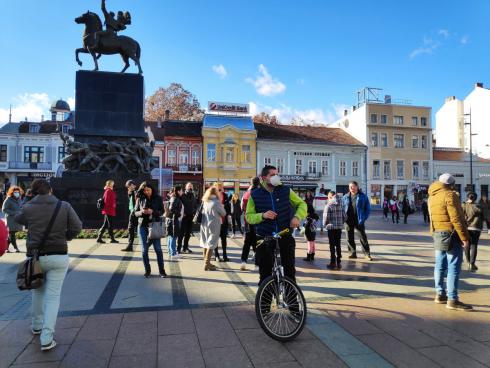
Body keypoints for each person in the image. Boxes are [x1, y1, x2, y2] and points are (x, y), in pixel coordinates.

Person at [15, 179, 82, 351]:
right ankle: (46, 337)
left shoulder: (29, 207)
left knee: (37, 291)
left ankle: (36, 326)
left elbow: (18, 217)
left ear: (33, 192)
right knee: (53, 298)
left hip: (36, 257)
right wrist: (66, 237)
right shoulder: (64, 206)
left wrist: (26, 199)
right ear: (51, 190)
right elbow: (77, 226)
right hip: (58, 256)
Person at [246, 165, 307, 285]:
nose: (276, 177)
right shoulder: (254, 194)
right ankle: (264, 303)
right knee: (265, 275)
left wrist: (297, 217)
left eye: (276, 174)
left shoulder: (285, 190)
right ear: (264, 177)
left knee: (290, 273)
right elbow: (249, 217)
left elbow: (302, 204)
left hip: (285, 235)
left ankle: (292, 303)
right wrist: (262, 215)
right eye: (272, 175)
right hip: (264, 238)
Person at [429, 173, 472, 310]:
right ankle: (453, 299)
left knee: (440, 265)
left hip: (438, 232)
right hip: (451, 234)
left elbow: (431, 216)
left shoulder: (432, 195)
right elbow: (456, 218)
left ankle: (440, 294)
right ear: (451, 184)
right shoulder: (450, 195)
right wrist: (464, 237)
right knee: (453, 267)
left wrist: (433, 232)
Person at [134, 182, 166, 278]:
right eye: (145, 190)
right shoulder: (140, 198)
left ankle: (162, 271)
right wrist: (141, 212)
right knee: (144, 250)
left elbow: (162, 211)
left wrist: (153, 211)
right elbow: (134, 213)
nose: (147, 192)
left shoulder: (158, 198)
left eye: (148, 190)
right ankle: (147, 270)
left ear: (152, 189)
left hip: (154, 225)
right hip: (143, 226)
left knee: (158, 249)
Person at [342, 181, 372, 260]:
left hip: (359, 220)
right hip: (348, 220)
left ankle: (367, 254)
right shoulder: (345, 196)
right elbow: (342, 208)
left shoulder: (363, 196)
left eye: (353, 186)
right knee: (349, 237)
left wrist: (363, 218)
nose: (351, 188)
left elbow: (368, 209)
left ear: (357, 187)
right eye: (350, 187)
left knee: (362, 237)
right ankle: (352, 253)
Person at [199, 186, 226, 271]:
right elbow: (223, 213)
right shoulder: (216, 202)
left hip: (204, 224)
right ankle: (207, 264)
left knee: (205, 243)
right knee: (211, 244)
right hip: (213, 225)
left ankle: (206, 262)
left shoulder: (205, 201)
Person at [240, 177, 260, 271]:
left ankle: (243, 261)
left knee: (247, 243)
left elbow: (242, 208)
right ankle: (257, 265)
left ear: (250, 183)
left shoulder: (246, 194)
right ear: (258, 183)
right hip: (258, 221)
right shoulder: (261, 193)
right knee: (258, 243)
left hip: (247, 221)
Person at [462, 192, 484, 272]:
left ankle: (468, 262)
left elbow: (460, 215)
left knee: (467, 244)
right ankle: (472, 263)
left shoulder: (463, 205)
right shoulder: (479, 206)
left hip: (466, 227)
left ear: (468, 197)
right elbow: (483, 216)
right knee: (474, 245)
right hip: (476, 228)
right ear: (475, 198)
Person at [324, 191, 346, 270]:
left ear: (330, 196)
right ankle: (339, 262)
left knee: (332, 245)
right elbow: (345, 216)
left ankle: (333, 262)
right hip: (339, 227)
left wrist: (325, 225)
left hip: (331, 227)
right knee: (338, 244)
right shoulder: (341, 204)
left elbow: (326, 217)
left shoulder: (329, 204)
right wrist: (340, 223)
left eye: (328, 196)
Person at [2, 185, 24, 253]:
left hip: (17, 219)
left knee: (12, 234)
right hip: (10, 219)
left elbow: (21, 207)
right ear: (12, 192)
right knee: (12, 233)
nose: (17, 193)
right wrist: (14, 213)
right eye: (15, 192)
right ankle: (15, 248)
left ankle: (6, 248)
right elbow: (4, 209)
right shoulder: (8, 199)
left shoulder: (19, 199)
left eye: (18, 192)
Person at [177, 182, 197, 254]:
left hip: (191, 217)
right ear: (185, 188)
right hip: (183, 218)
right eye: (189, 187)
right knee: (181, 234)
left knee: (188, 234)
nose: (190, 188)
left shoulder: (193, 196)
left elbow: (195, 206)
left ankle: (185, 248)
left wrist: (194, 211)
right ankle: (178, 248)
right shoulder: (182, 196)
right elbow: (178, 205)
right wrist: (182, 213)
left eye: (191, 187)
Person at [213, 182, 230, 262]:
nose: (220, 189)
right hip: (215, 221)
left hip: (224, 221)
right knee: (215, 239)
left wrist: (224, 208)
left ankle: (225, 255)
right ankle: (216, 255)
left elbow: (229, 209)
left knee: (224, 239)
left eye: (221, 188)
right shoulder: (212, 197)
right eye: (218, 188)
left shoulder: (225, 196)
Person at [166, 186, 183, 260]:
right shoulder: (176, 199)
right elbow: (171, 209)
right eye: (181, 191)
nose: (182, 192)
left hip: (171, 220)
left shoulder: (173, 198)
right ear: (178, 191)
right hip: (173, 220)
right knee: (173, 236)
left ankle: (171, 252)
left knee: (170, 236)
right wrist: (178, 214)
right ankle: (173, 253)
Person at [121, 180, 137, 252]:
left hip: (134, 212)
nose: (128, 188)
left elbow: (136, 202)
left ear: (132, 185)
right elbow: (131, 201)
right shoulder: (132, 192)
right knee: (131, 228)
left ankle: (130, 246)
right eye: (127, 187)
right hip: (132, 212)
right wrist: (129, 193)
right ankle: (130, 245)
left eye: (129, 186)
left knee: (131, 228)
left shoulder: (136, 192)